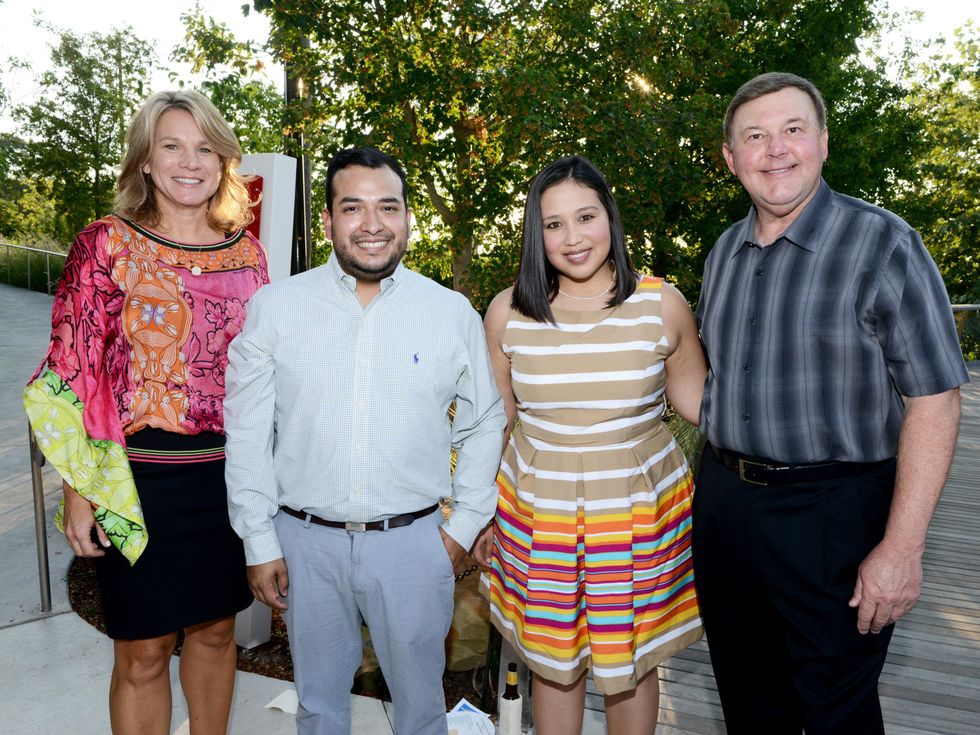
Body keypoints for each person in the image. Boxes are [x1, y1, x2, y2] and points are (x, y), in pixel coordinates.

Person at [694, 71, 969, 734]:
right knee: (747, 700)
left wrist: (902, 546)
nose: (775, 149)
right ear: (732, 159)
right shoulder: (723, 253)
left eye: (792, 130)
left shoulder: (884, 244)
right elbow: (714, 382)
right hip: (727, 508)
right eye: (754, 137)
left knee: (835, 710)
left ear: (822, 141)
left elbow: (935, 397)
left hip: (835, 516)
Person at [223, 146, 506, 735]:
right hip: (304, 545)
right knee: (319, 708)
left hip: (414, 547)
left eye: (388, 207)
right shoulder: (275, 309)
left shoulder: (449, 313)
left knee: (422, 710)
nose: (372, 223)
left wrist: (460, 529)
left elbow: (483, 422)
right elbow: (247, 431)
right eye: (353, 208)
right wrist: (258, 539)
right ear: (328, 220)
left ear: (407, 218)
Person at [23, 90, 269, 733]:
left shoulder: (249, 255)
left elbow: (267, 379)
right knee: (142, 650)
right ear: (145, 161)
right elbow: (69, 374)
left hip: (227, 479)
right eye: (172, 146)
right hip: (134, 479)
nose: (191, 161)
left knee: (217, 634)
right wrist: (79, 489)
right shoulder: (105, 244)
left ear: (223, 162)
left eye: (205, 148)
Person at [472, 155, 705, 735]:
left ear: (611, 218)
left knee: (631, 663)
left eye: (586, 217)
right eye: (554, 224)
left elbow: (707, 408)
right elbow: (492, 427)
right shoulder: (508, 312)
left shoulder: (661, 304)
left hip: (638, 515)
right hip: (537, 514)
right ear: (536, 232)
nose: (572, 238)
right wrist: (475, 516)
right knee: (553, 665)